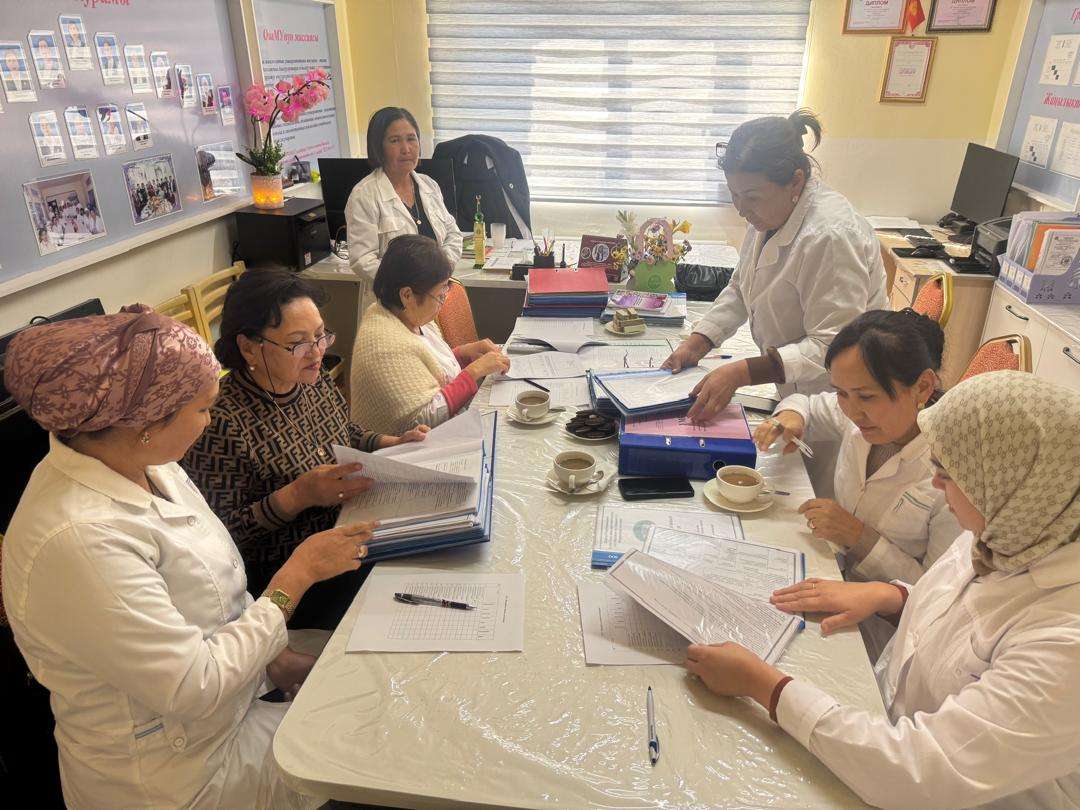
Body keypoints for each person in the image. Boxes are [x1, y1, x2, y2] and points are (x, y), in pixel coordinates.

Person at [1, 305, 376, 809]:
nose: (211, 419)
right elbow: (193, 685)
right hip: (175, 777)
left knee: (371, 673)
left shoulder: (151, 464)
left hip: (228, 708)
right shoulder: (78, 540)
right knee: (373, 737)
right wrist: (297, 575)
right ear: (145, 422)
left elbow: (220, 592)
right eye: (202, 409)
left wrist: (277, 660)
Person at [685, 371, 1080, 808]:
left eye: (949, 473)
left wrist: (764, 686)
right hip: (883, 721)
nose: (936, 484)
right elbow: (966, 607)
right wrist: (893, 597)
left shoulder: (1066, 644)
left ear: (1014, 486)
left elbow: (916, 771)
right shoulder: (1010, 532)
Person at [183, 270, 427, 630]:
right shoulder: (220, 423)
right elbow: (218, 541)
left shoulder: (310, 379)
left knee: (435, 553)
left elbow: (342, 431)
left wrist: (389, 442)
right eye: (298, 343)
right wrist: (297, 496)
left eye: (320, 336)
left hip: (348, 533)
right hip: (290, 579)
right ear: (249, 347)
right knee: (408, 598)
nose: (317, 352)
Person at [663, 110, 887, 494]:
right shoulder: (770, 214)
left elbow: (835, 345)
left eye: (751, 197)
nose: (741, 209)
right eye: (734, 195)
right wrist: (699, 341)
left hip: (838, 400)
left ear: (795, 181)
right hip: (794, 392)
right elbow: (742, 287)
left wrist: (742, 372)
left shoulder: (830, 236)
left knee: (815, 501)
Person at [754, 309, 963, 660]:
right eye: (841, 393)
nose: (852, 412)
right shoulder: (859, 419)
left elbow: (938, 593)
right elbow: (806, 403)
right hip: (831, 577)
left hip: (890, 638)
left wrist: (860, 537)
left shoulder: (954, 475)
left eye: (866, 397)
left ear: (923, 387)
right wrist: (791, 416)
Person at [350, 234, 509, 434]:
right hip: (407, 449)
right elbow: (421, 421)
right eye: (440, 295)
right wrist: (474, 371)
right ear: (407, 295)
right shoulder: (384, 344)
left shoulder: (405, 315)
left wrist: (464, 353)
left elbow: (425, 370)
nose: (443, 302)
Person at [344, 106, 462, 307]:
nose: (406, 149)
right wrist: (410, 285)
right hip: (391, 305)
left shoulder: (429, 185)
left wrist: (439, 272)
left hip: (434, 299)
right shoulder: (364, 195)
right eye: (395, 141)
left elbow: (454, 235)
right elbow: (362, 259)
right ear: (379, 147)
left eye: (411, 138)